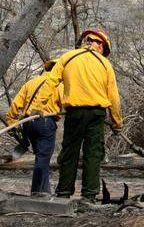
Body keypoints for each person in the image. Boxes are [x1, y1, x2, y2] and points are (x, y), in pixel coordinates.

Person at [44, 28, 123, 204]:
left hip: (74, 113)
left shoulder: (68, 57)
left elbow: (50, 83)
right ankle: (89, 196)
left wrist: (39, 107)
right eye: (105, 50)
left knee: (69, 152)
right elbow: (114, 98)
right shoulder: (105, 64)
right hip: (97, 115)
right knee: (93, 154)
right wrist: (117, 123)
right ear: (100, 44)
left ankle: (63, 194)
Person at [5, 53, 64, 196]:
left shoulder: (30, 83)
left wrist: (12, 124)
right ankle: (37, 191)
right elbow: (67, 103)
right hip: (45, 122)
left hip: (27, 124)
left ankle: (44, 191)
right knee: (43, 158)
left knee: (40, 157)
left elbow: (14, 108)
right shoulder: (58, 86)